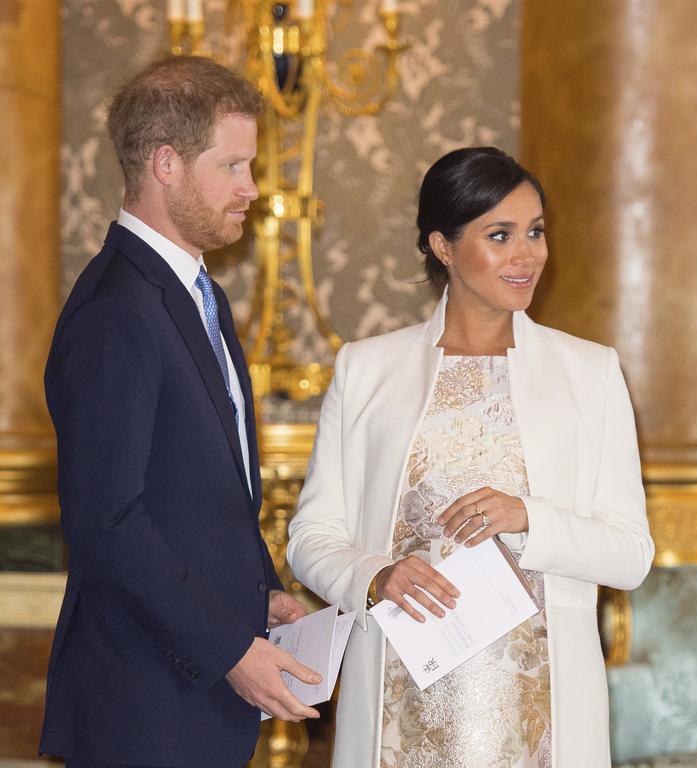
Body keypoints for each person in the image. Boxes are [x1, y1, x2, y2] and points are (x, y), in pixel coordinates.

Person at [287, 146, 654, 767]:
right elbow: (312, 536)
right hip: (397, 699)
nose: (527, 254)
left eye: (535, 231)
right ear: (443, 246)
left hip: (543, 713)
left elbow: (631, 555)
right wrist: (376, 577)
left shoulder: (589, 372)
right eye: (500, 235)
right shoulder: (368, 368)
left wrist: (529, 517)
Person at [39, 55, 322, 768]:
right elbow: (105, 521)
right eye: (233, 166)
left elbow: (200, 493)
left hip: (183, 702)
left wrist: (260, 591)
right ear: (166, 163)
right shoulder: (117, 311)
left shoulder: (199, 294)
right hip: (142, 707)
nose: (252, 190)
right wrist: (231, 651)